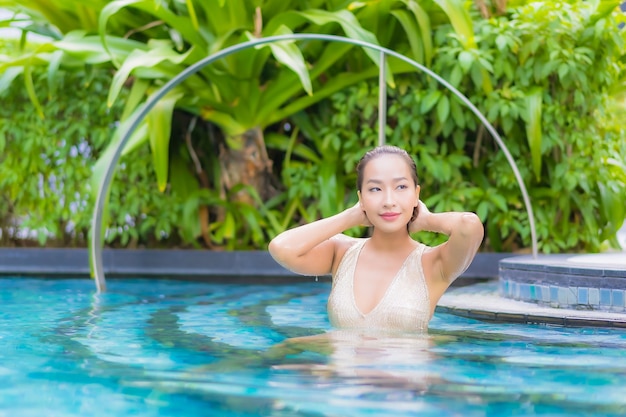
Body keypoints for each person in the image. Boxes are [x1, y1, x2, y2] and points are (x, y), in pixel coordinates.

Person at [268, 145, 484, 333]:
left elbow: (469, 226)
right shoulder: (341, 252)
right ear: (361, 197)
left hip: (405, 378)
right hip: (344, 380)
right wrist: (350, 217)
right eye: (375, 189)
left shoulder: (433, 263)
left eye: (401, 187)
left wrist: (427, 220)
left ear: (416, 194)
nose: (389, 201)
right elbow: (281, 248)